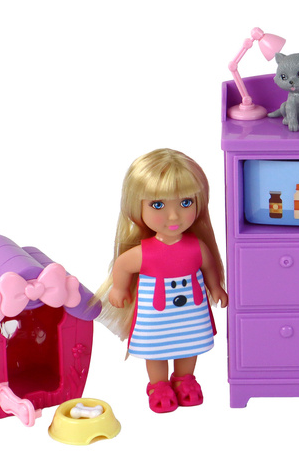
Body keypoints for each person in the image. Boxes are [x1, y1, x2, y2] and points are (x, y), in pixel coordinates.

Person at [93, 149, 228, 412]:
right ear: (136, 207)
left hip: (191, 311)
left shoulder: (196, 246)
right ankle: (158, 385)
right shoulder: (144, 252)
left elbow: (209, 266)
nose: (174, 216)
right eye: (158, 205)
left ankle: (185, 379)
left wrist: (215, 287)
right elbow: (122, 265)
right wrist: (119, 288)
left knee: (189, 344)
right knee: (156, 349)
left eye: (186, 202)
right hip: (156, 314)